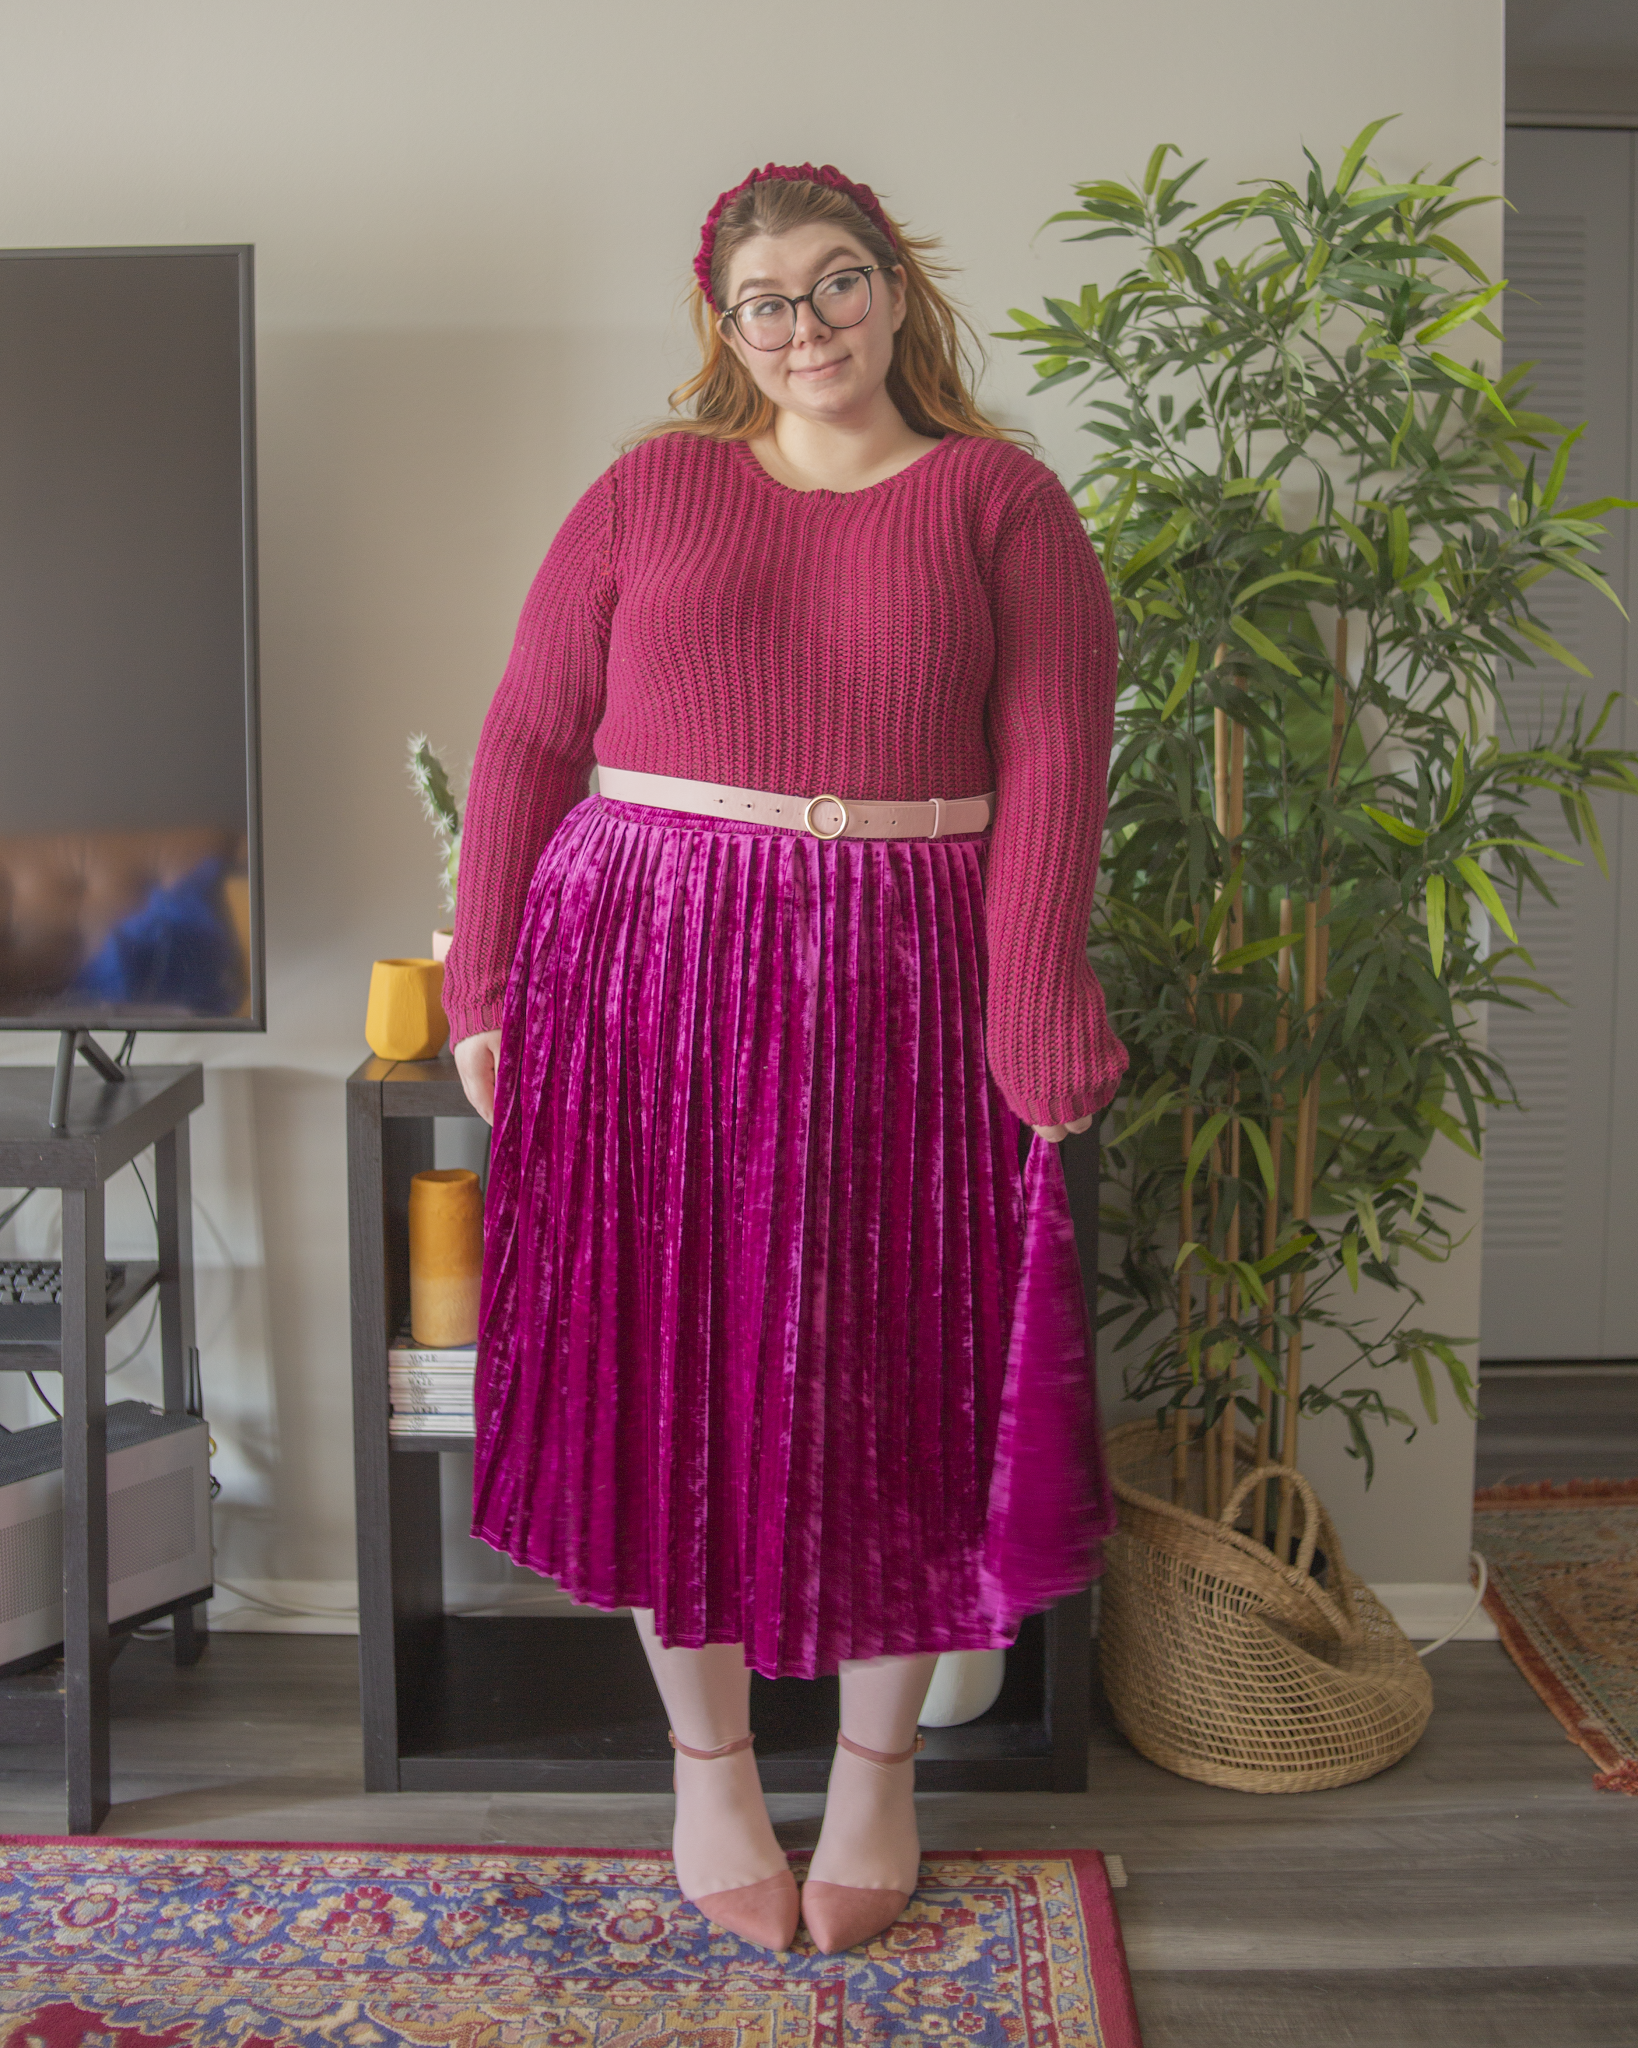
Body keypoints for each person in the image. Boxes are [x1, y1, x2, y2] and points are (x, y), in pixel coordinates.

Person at [442, 161, 1126, 1957]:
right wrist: (480, 986)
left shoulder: (1000, 501)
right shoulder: (649, 488)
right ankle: (714, 1771)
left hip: (907, 976)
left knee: (901, 1381)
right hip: (644, 964)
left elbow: (1057, 762)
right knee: (668, 1376)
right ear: (721, 326)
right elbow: (524, 735)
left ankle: (881, 1776)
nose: (804, 323)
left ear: (895, 295)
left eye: (837, 284)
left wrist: (1032, 995)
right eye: (767, 298)